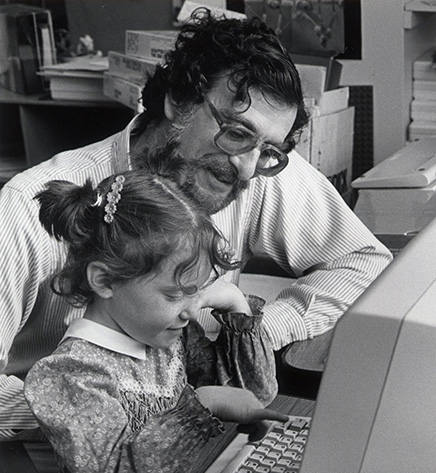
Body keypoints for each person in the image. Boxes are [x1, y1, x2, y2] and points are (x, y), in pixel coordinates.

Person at [0, 8, 392, 440]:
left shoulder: (251, 163)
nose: (246, 170)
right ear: (179, 101)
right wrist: (112, 415)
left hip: (195, 432)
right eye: (237, 132)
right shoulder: (23, 209)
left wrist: (259, 329)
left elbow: (364, 258)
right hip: (69, 465)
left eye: (268, 150)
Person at [24, 168, 286, 473]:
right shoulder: (70, 376)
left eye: (197, 291)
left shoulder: (163, 333)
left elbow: (253, 394)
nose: (190, 309)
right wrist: (199, 408)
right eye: (174, 294)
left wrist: (238, 310)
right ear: (105, 280)